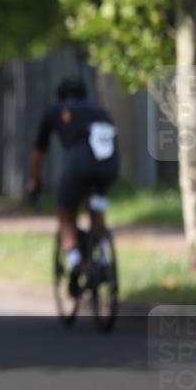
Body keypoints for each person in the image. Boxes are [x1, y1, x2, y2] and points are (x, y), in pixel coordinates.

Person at [27, 78, 119, 297]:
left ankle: (75, 261)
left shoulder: (56, 111)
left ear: (60, 97)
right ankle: (105, 257)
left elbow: (39, 153)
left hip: (78, 167)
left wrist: (36, 181)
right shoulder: (99, 110)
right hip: (109, 168)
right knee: (97, 211)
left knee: (65, 214)